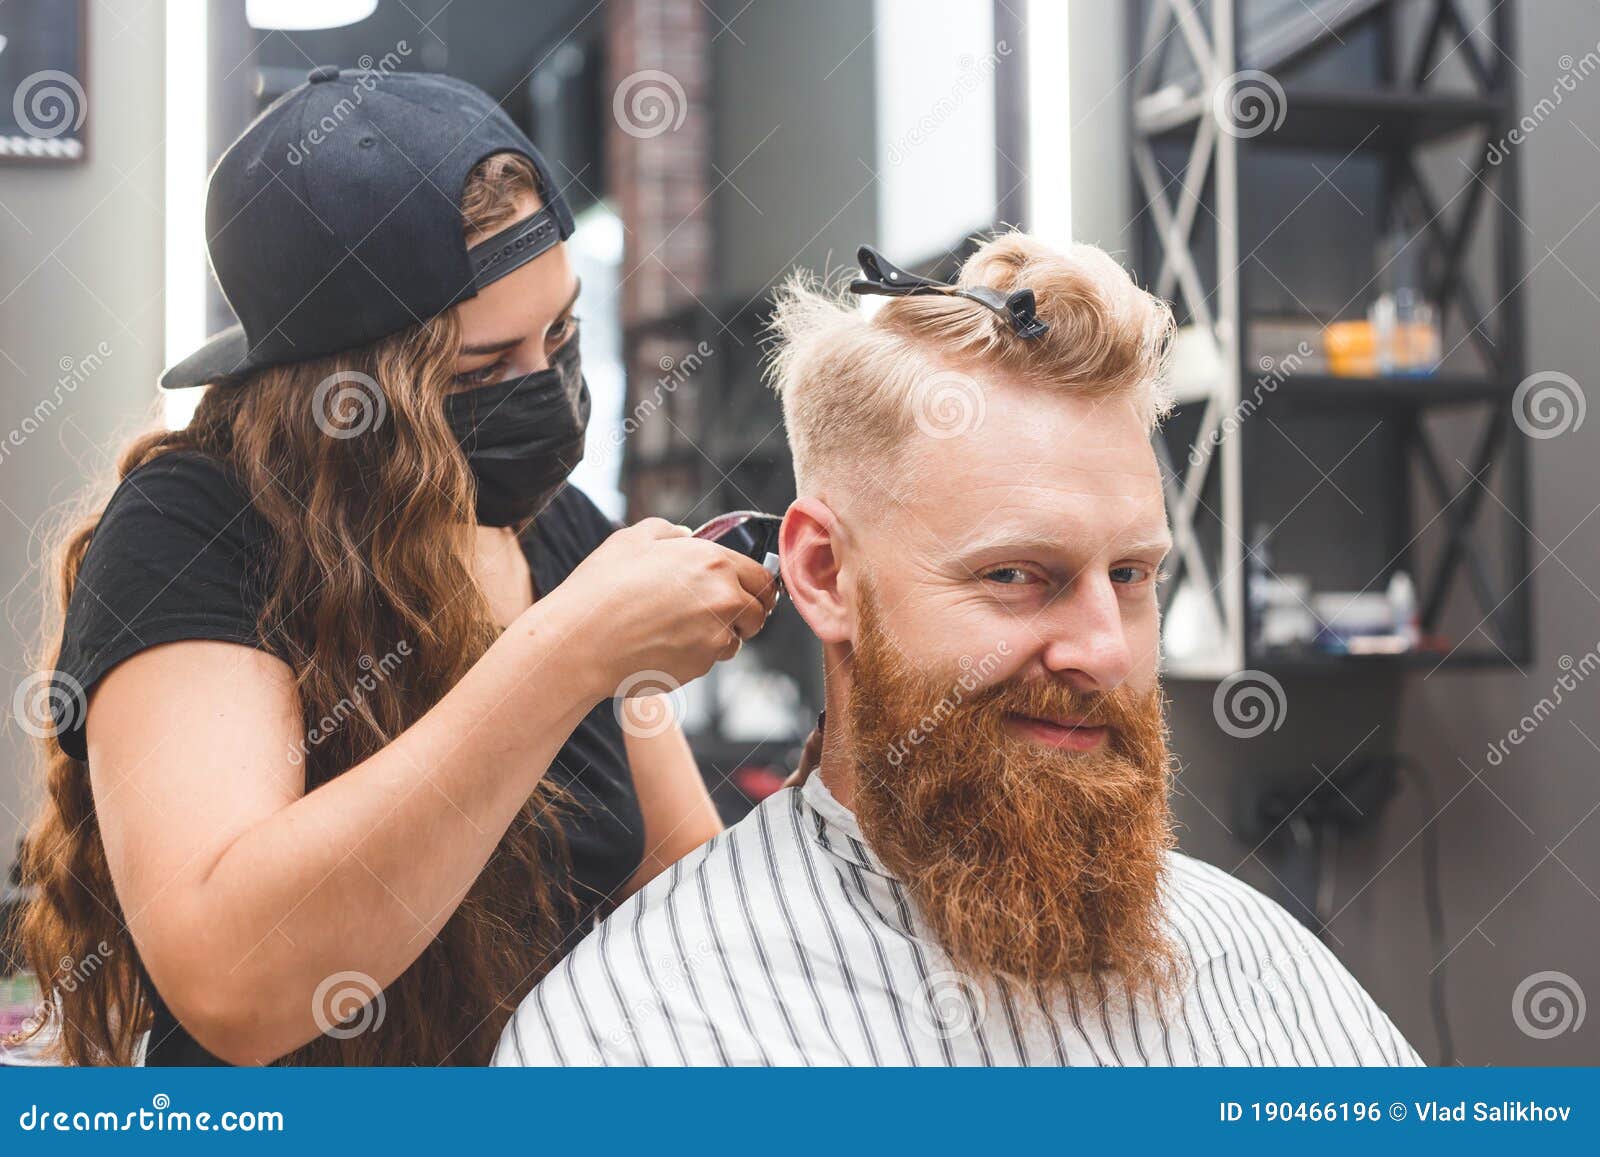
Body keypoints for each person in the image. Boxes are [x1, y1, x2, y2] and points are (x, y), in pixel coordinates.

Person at [491, 232, 1423, 1066]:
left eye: (1132, 575)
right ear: (821, 574)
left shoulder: (1256, 962)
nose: (1104, 651)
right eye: (1017, 575)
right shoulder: (639, 1035)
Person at [11, 68, 779, 1067]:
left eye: (559, 336)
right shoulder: (193, 530)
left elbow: (684, 894)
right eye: (480, 368)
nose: (544, 393)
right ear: (341, 386)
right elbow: (235, 984)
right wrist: (564, 655)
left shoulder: (563, 535)